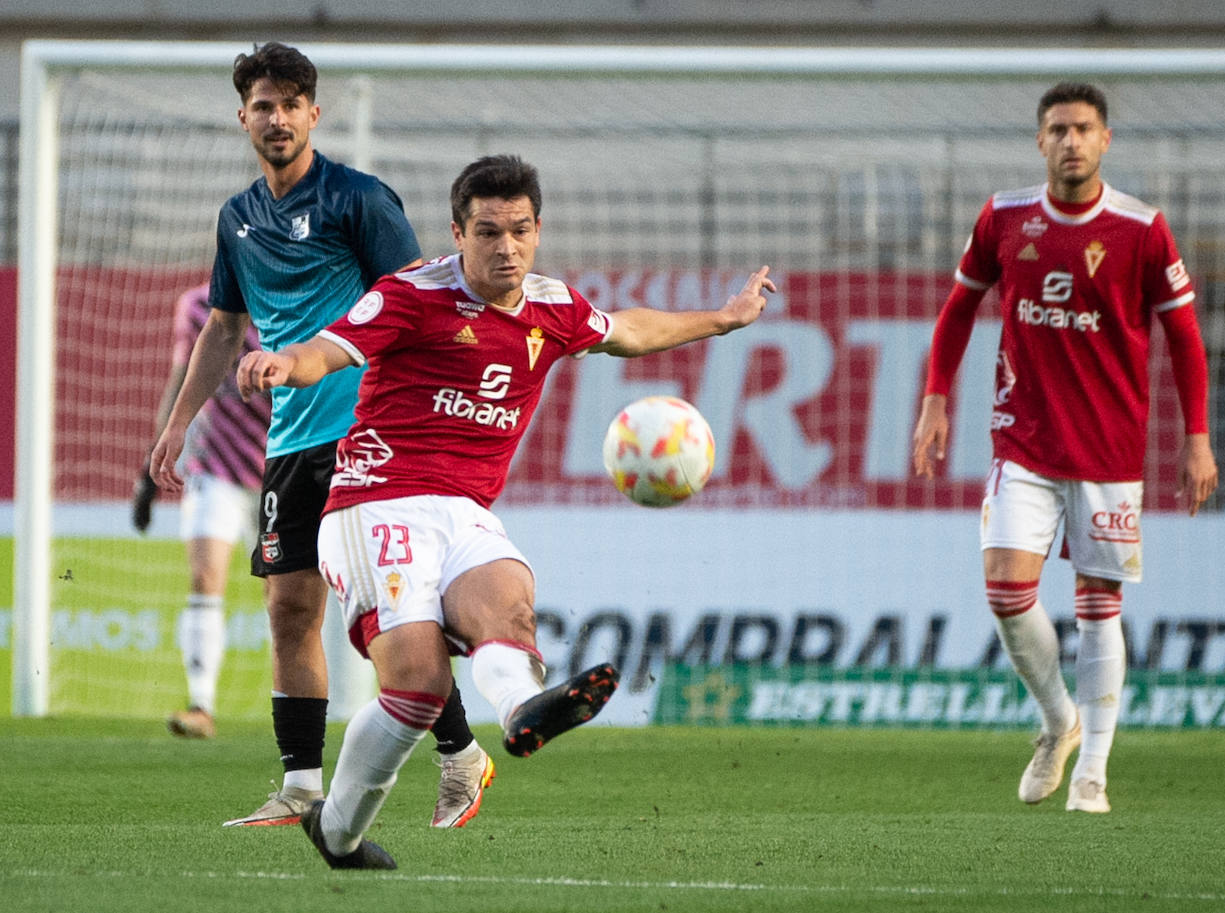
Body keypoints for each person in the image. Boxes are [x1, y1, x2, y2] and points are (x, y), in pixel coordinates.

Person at [236, 154, 775, 869]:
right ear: (458, 233)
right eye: (488, 232)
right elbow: (330, 351)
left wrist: (725, 319)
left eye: (519, 231)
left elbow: (631, 331)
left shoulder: (552, 307)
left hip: (462, 510)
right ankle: (337, 832)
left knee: (508, 595)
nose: (506, 248)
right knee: (418, 687)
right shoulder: (411, 293)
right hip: (375, 503)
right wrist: (284, 362)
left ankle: (521, 707)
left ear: (538, 230)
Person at [149, 42, 489, 830]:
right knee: (288, 609)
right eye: (263, 105)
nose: (278, 118)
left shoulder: (359, 201)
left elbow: (419, 306)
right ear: (244, 117)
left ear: (314, 113)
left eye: (291, 103)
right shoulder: (237, 219)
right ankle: (302, 784)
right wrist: (178, 421)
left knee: (384, 612)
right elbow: (225, 326)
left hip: (369, 432)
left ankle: (461, 751)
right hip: (291, 442)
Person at [911, 83, 1218, 814]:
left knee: (1098, 606)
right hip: (1023, 441)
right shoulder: (1004, 216)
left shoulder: (1142, 228)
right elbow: (958, 310)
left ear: (1106, 140)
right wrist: (934, 398)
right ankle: (1059, 721)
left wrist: (1198, 436)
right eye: (1058, 129)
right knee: (1005, 590)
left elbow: (1185, 338)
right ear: (1039, 141)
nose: (1071, 140)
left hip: (1111, 452)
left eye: (1083, 128)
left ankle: (1094, 774)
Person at [134, 282, 271, 740]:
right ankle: (201, 705)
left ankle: (304, 708)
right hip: (215, 466)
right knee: (204, 577)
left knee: (287, 597)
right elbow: (181, 382)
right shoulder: (197, 307)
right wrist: (146, 475)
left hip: (283, 467)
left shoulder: (297, 298)